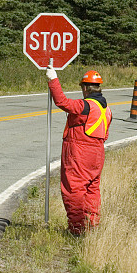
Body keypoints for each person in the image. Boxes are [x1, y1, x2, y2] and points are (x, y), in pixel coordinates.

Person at [45, 65, 112, 234]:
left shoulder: (86, 105)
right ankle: (92, 226)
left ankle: (76, 230)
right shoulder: (106, 109)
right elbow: (105, 134)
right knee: (92, 190)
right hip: (97, 155)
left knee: (74, 190)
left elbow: (62, 102)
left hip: (79, 154)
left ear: (84, 88)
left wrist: (53, 79)